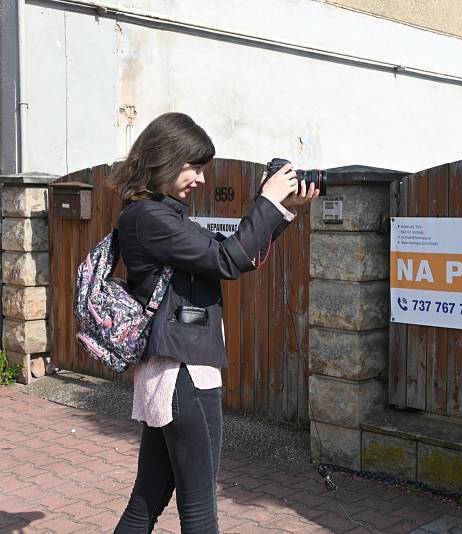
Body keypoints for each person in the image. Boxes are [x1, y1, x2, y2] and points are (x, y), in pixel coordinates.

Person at [108, 112, 318, 533]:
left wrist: (282, 211)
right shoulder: (152, 218)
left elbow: (232, 252)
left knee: (147, 499)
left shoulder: (160, 215)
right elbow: (229, 259)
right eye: (195, 167)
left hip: (169, 371)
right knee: (200, 507)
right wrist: (268, 201)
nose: (202, 179)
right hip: (183, 374)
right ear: (164, 159)